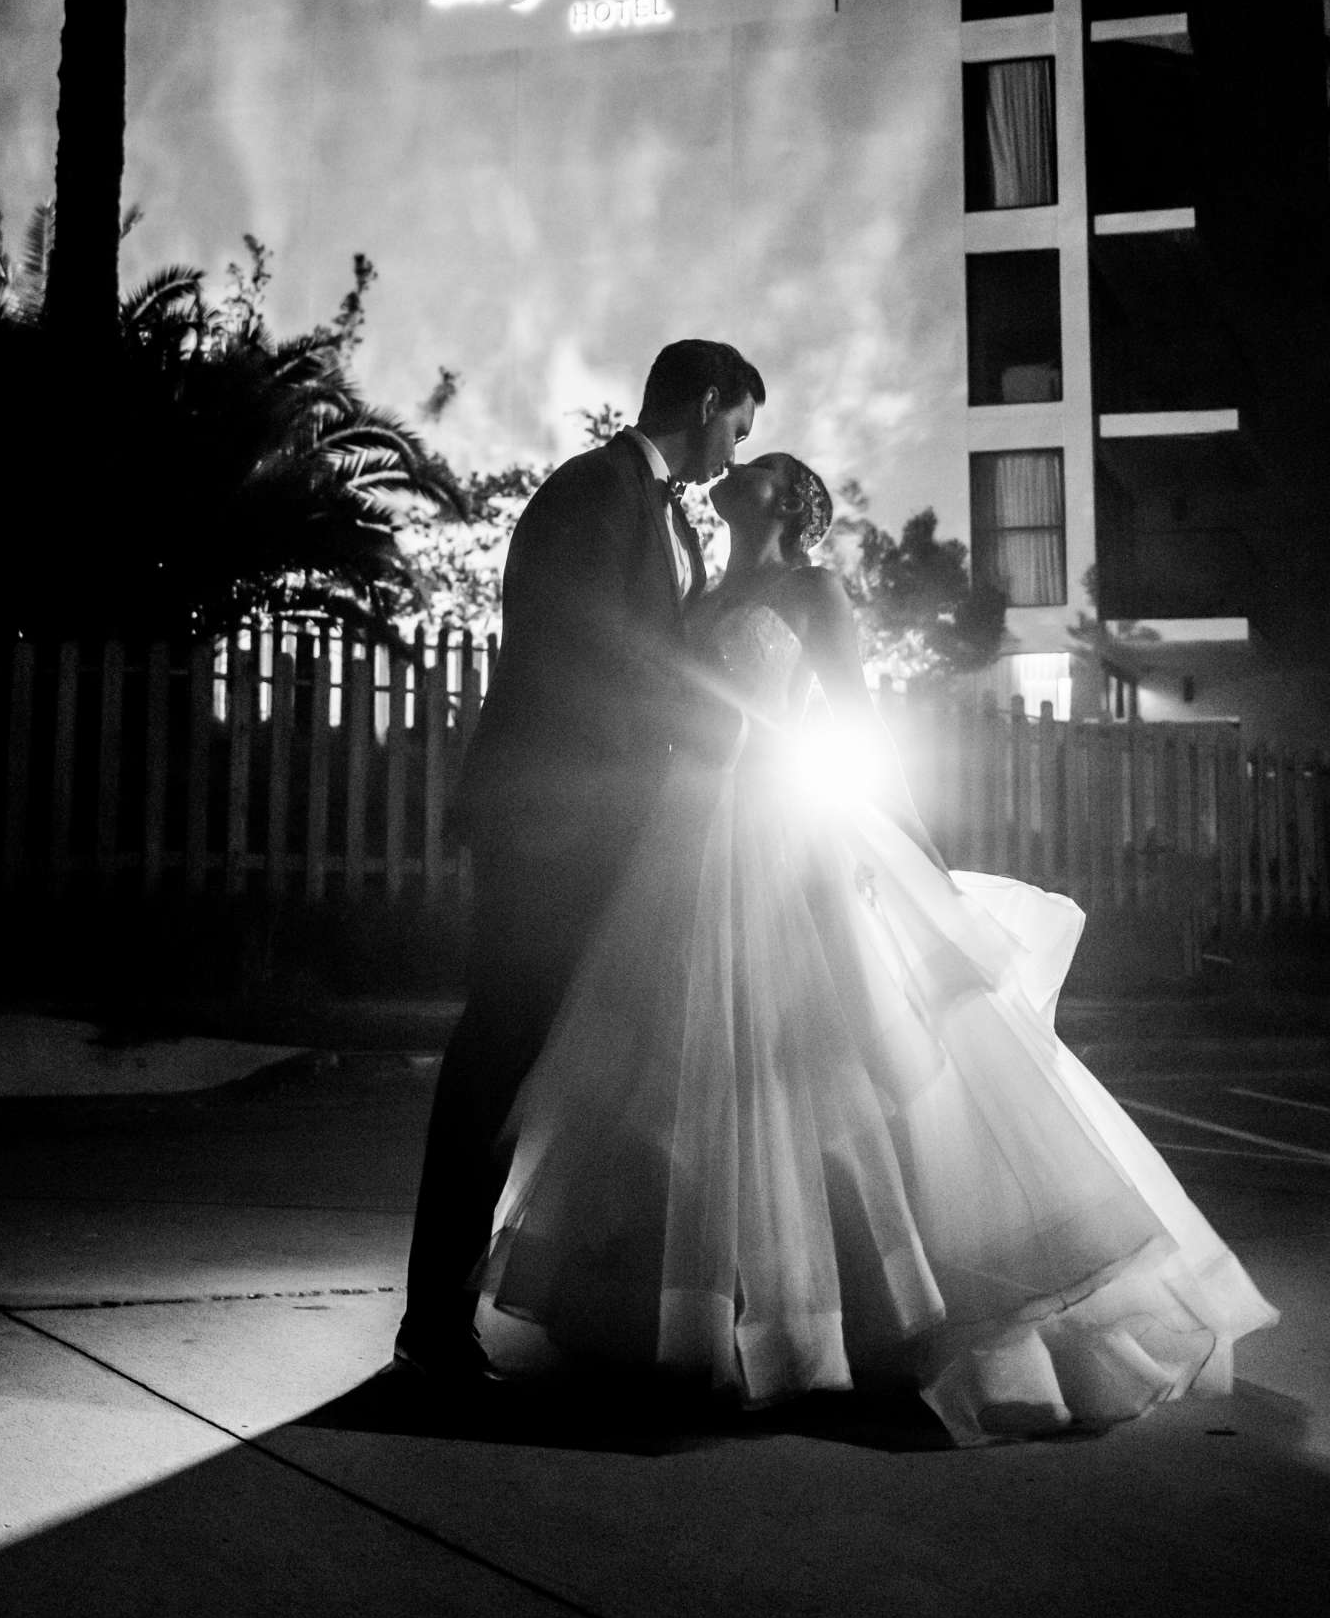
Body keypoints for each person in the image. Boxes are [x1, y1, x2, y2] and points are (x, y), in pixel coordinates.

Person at [475, 452, 1277, 1442]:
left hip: (789, 829)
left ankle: (857, 1314)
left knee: (827, 1059)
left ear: (792, 504)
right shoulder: (705, 587)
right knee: (695, 1064)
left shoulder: (813, 589)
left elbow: (854, 714)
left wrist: (906, 843)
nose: (741, 467)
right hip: (687, 840)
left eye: (764, 468)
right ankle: (713, 1310)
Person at [394, 340, 766, 1383]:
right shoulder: (591, 492)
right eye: (738, 428)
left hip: (604, 823)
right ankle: (434, 1322)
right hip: (549, 823)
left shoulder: (642, 504)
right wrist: (695, 728)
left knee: (563, 1058)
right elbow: (581, 650)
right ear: (703, 403)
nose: (736, 457)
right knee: (499, 1053)